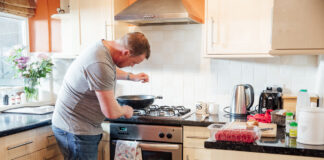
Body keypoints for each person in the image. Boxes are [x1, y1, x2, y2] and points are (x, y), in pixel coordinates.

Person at [52, 32, 151, 160]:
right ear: (126, 52)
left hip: (80, 127)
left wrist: (132, 77)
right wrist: (126, 109)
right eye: (134, 62)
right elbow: (111, 112)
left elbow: (108, 70)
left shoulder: (104, 49)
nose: (132, 66)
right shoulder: (99, 61)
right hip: (75, 129)